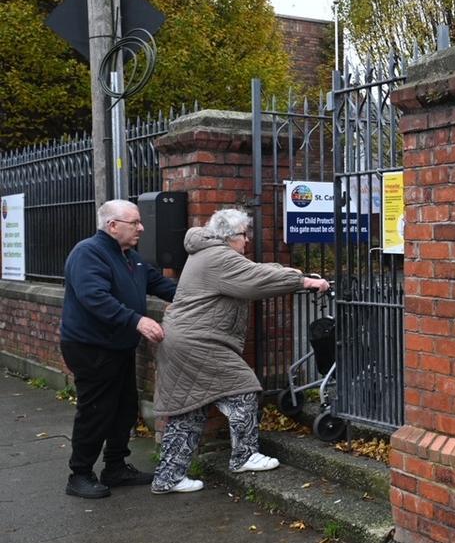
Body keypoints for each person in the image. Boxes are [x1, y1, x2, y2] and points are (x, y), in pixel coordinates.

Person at [150, 208, 329, 494]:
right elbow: (253, 280)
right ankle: (244, 455)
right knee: (243, 389)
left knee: (190, 410)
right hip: (199, 342)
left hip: (183, 339)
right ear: (230, 236)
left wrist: (288, 272)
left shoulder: (207, 253)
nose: (247, 241)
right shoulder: (218, 256)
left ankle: (168, 476)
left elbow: (252, 271)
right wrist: (303, 281)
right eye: (244, 235)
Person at [60, 199, 178, 499]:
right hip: (90, 347)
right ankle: (80, 474)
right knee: (96, 411)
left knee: (124, 408)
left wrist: (201, 295)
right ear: (112, 226)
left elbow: (165, 287)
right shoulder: (88, 253)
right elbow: (94, 298)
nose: (141, 227)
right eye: (134, 222)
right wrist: (137, 321)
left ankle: (115, 467)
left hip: (119, 347)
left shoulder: (132, 258)